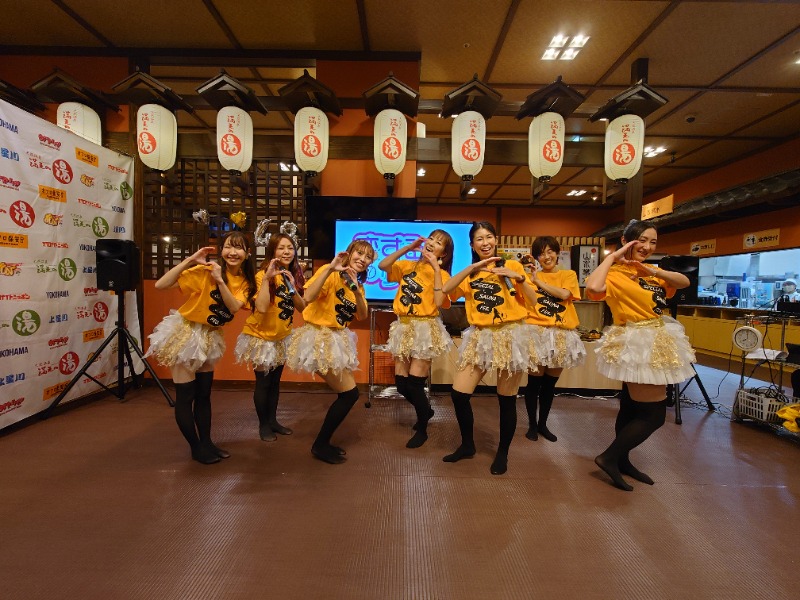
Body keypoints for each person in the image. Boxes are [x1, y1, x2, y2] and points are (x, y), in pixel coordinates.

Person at [585, 219, 695, 491]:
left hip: (657, 336)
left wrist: (647, 268)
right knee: (654, 414)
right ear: (626, 241)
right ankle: (609, 457)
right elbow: (593, 288)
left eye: (653, 242)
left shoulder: (652, 272)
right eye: (641, 240)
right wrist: (614, 259)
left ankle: (622, 460)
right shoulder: (613, 273)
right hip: (637, 340)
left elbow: (683, 281)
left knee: (631, 406)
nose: (647, 246)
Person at [147, 231, 256, 464]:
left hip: (210, 335)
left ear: (247, 254)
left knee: (204, 395)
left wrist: (219, 280)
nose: (232, 252)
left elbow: (234, 307)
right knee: (186, 395)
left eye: (238, 248)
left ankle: (206, 443)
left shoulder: (246, 283)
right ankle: (195, 447)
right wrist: (190, 260)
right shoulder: (205, 271)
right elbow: (161, 284)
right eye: (228, 247)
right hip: (186, 333)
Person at [440, 221, 540, 475]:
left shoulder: (512, 266)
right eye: (479, 239)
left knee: (506, 399)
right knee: (459, 393)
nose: (485, 243)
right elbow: (447, 290)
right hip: (480, 336)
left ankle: (502, 453)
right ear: (472, 245)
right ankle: (468, 445)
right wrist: (473, 267)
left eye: (489, 237)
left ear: (496, 239)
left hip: (510, 334)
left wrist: (517, 277)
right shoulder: (471, 273)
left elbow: (533, 299)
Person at [286, 239, 376, 464]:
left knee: (348, 394)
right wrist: (328, 270)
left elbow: (363, 315)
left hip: (337, 338)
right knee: (349, 394)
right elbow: (306, 299)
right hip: (319, 338)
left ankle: (323, 442)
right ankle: (320, 444)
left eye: (367, 257)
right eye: (359, 253)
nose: (362, 259)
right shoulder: (330, 272)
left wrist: (356, 290)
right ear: (350, 253)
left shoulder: (356, 284)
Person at [377, 231, 455, 449]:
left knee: (415, 384)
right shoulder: (407, 265)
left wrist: (437, 268)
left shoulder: (443, 275)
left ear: (444, 253)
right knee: (402, 385)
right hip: (403, 325)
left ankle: (422, 429)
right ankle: (426, 411)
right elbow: (384, 265)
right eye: (431, 239)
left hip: (425, 327)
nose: (432, 243)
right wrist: (409, 248)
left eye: (438, 243)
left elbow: (440, 301)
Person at [234, 233, 306, 441]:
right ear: (272, 251)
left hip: (281, 336)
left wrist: (293, 287)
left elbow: (302, 308)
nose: (286, 252)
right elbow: (262, 307)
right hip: (261, 337)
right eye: (281, 248)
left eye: (290, 248)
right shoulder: (261, 275)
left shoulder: (292, 275)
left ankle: (273, 421)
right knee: (263, 383)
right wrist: (267, 278)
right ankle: (263, 425)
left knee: (275, 382)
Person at [521, 236, 586, 443]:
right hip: (536, 332)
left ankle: (543, 424)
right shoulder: (529, 276)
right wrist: (527, 276)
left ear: (558, 253)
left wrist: (538, 281)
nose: (546, 256)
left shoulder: (568, 274)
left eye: (550, 251)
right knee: (533, 383)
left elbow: (565, 294)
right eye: (541, 253)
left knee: (550, 385)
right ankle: (532, 424)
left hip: (561, 334)